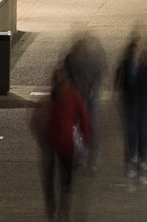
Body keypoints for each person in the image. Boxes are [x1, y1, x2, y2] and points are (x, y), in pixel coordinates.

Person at [32, 66, 91, 218]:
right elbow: (37, 120)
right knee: (53, 177)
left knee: (64, 176)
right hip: (54, 143)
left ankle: (62, 203)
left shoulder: (69, 96)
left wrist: (85, 137)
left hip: (63, 144)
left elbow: (82, 117)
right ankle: (55, 204)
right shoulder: (52, 100)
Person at [114, 31, 147, 191]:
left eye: (140, 45)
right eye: (135, 45)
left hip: (145, 104)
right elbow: (120, 81)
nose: (137, 49)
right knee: (132, 132)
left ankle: (143, 161)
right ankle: (132, 162)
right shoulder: (127, 64)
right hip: (132, 104)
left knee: (145, 132)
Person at [62, 35, 105, 171]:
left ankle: (91, 157)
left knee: (91, 126)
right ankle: (81, 155)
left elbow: (98, 72)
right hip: (79, 97)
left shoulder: (86, 59)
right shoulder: (71, 59)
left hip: (89, 95)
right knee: (79, 127)